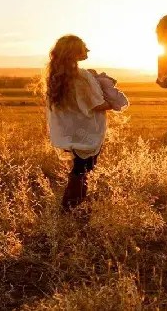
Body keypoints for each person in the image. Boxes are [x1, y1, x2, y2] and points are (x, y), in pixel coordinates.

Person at [44, 35, 128, 212]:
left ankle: (75, 208)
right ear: (74, 51)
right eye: (84, 47)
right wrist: (112, 100)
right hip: (86, 132)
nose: (88, 50)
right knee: (82, 170)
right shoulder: (80, 77)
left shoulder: (58, 76)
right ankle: (71, 209)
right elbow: (96, 105)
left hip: (72, 130)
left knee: (80, 169)